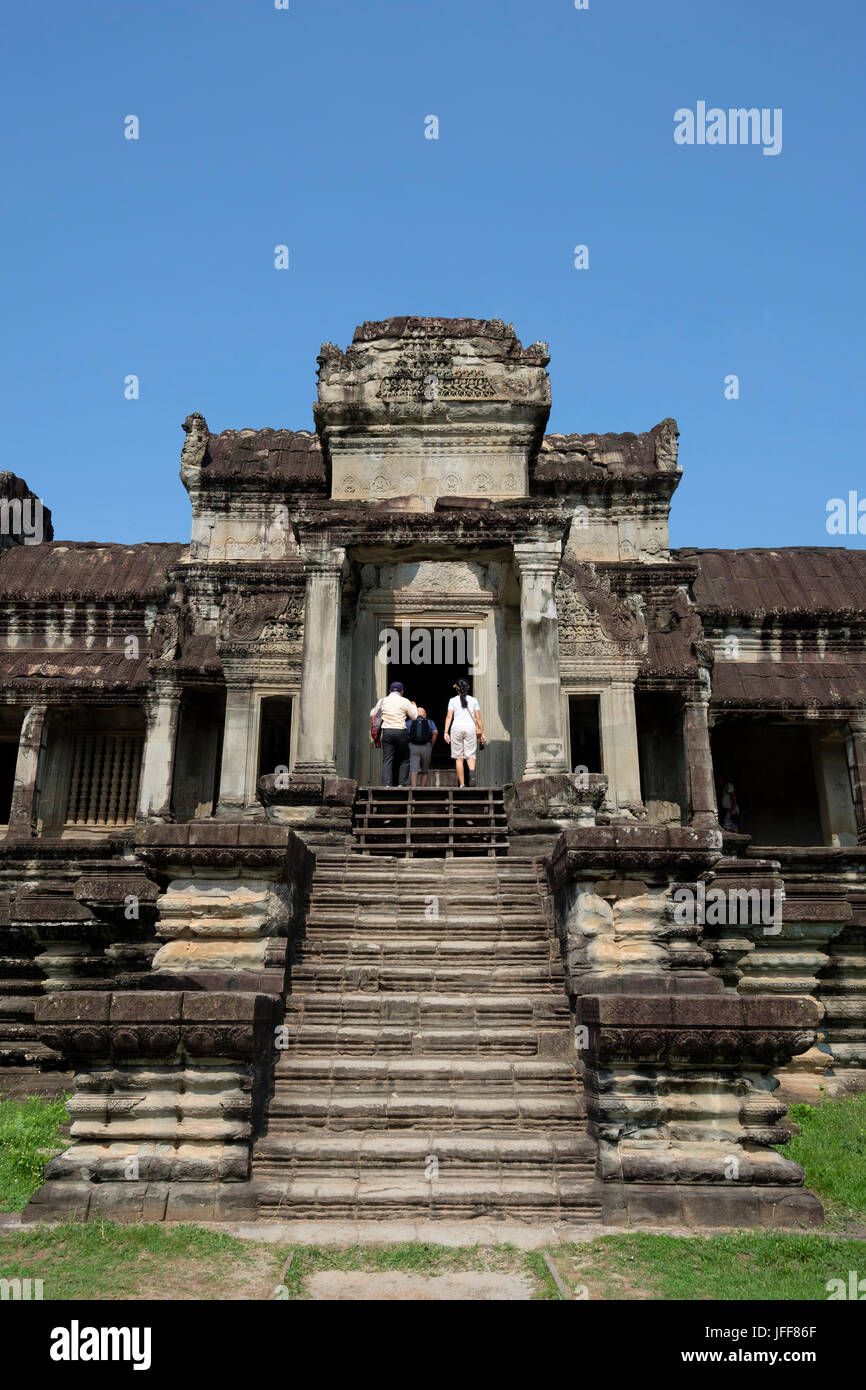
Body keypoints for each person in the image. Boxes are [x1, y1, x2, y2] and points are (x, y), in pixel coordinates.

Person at [370, 682, 417, 786]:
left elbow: (372, 714)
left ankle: (387, 784)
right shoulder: (405, 701)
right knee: (404, 759)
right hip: (400, 731)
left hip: (387, 731)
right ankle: (401, 784)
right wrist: (414, 706)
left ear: (390, 691)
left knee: (387, 759)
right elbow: (414, 716)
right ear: (402, 692)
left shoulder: (383, 701)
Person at [443, 679, 485, 788]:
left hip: (456, 727)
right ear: (468, 688)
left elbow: (449, 716)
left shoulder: (452, 700)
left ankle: (462, 784)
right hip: (470, 727)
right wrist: (482, 733)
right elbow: (478, 718)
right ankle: (472, 773)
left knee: (459, 757)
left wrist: (445, 732)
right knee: (470, 755)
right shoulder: (474, 700)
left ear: (456, 689)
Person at [407, 706, 438, 787]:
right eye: (423, 711)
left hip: (413, 747)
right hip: (426, 747)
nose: (425, 713)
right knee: (425, 770)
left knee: (413, 770)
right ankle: (422, 789)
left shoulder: (409, 722)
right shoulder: (429, 721)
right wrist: (432, 744)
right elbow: (435, 732)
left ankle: (413, 789)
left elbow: (404, 733)